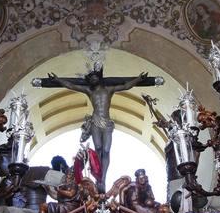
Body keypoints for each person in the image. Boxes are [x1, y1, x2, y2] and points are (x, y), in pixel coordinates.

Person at [32, 65, 162, 191]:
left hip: (106, 122)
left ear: (99, 78)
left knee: (106, 150)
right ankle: (98, 178)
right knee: (98, 148)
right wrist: (57, 80)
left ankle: (103, 178)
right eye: (91, 78)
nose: (93, 80)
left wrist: (139, 79)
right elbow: (72, 86)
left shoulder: (109, 90)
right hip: (95, 121)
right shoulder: (89, 91)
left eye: (95, 77)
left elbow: (125, 85)